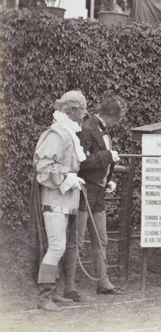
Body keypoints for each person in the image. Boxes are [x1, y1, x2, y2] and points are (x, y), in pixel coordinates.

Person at [63, 95, 127, 301]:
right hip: (83, 193)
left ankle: (103, 283)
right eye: (119, 118)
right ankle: (69, 287)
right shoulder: (87, 127)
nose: (119, 122)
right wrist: (108, 156)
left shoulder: (102, 129)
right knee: (76, 240)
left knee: (102, 239)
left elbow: (98, 162)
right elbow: (81, 163)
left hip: (98, 193)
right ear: (113, 116)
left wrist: (108, 178)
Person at [33, 91, 88, 311]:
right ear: (72, 110)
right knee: (56, 246)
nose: (85, 114)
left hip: (67, 201)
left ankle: (53, 294)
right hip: (55, 200)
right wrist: (68, 178)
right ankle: (44, 297)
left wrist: (72, 179)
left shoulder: (68, 133)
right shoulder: (57, 134)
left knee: (59, 247)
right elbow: (43, 168)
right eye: (82, 109)